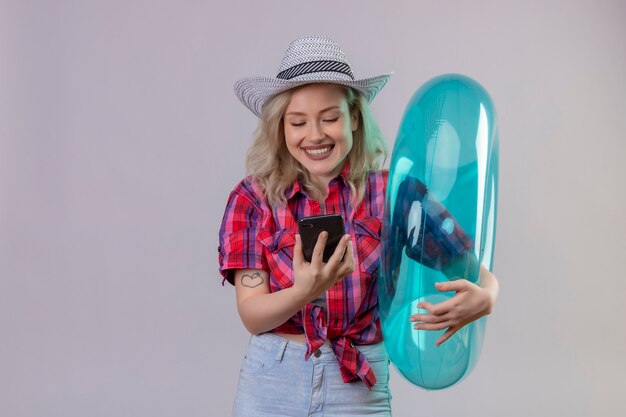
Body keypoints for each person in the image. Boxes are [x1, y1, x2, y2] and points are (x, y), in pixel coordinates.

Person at [218, 35, 499, 417]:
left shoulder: (394, 194)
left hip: (358, 384)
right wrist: (304, 291)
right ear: (280, 128)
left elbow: (471, 271)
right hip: (273, 379)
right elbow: (252, 314)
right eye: (298, 122)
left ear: (353, 117)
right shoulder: (253, 199)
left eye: (330, 118)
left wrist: (488, 295)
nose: (314, 135)